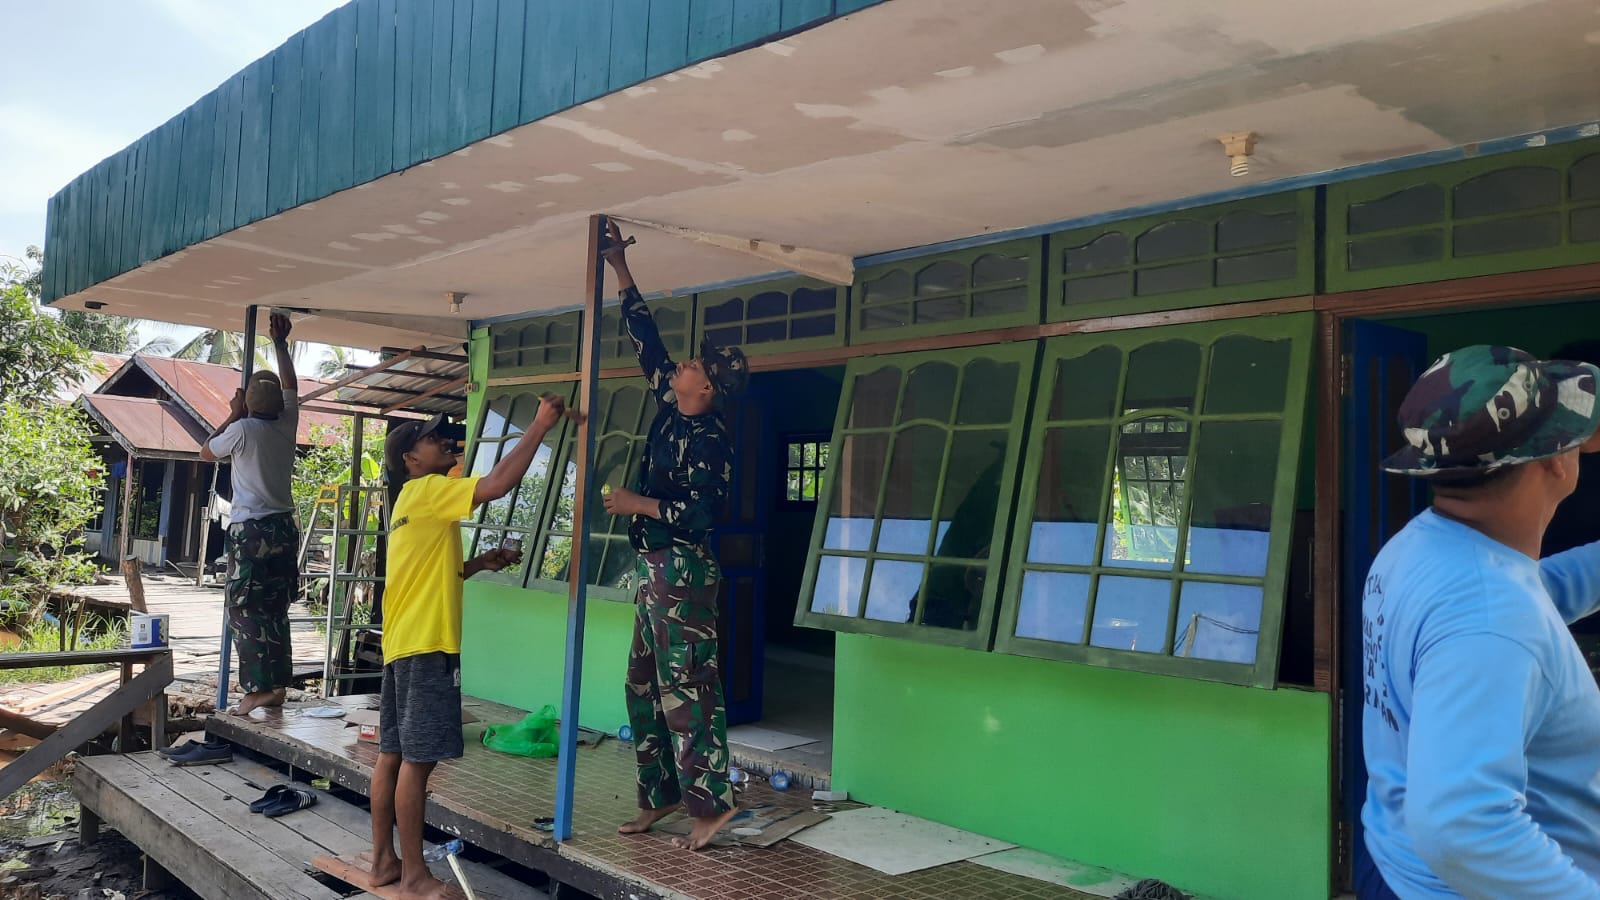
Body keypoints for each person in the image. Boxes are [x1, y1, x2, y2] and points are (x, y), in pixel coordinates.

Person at [1360, 344, 1600, 899]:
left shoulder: (1420, 547)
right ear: (1555, 460)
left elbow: (1529, 597)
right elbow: (1462, 828)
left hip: (1392, 860)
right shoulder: (1491, 619)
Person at [368, 399, 572, 899]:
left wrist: (478, 564)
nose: (444, 441)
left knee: (393, 755)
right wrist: (540, 424)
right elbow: (497, 484)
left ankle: (384, 863)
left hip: (401, 642)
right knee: (418, 762)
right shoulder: (429, 490)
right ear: (411, 459)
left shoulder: (408, 502)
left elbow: (431, 572)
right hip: (428, 645)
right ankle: (414, 877)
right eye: (431, 438)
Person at [600, 222, 749, 851]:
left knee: (688, 686)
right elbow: (648, 342)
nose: (684, 362)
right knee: (641, 684)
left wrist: (637, 503)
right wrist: (619, 267)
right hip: (653, 567)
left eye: (697, 364)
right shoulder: (670, 403)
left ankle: (711, 807)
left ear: (706, 388)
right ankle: (660, 794)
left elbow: (700, 515)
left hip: (682, 567)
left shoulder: (710, 441)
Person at [200, 311, 301, 717]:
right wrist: (280, 344)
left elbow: (206, 451)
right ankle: (277, 686)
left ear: (249, 405)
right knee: (276, 609)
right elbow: (291, 386)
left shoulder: (242, 430)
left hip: (252, 530)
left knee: (244, 610)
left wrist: (233, 413)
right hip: (284, 527)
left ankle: (257, 689)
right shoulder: (288, 422)